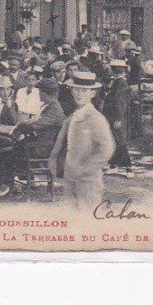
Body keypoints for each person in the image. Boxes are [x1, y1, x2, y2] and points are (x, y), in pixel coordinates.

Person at [47, 71, 114, 212]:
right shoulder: (73, 116)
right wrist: (54, 160)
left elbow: (106, 149)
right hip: (70, 176)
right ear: (71, 91)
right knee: (72, 217)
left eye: (84, 91)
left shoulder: (96, 118)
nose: (79, 94)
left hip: (88, 180)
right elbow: (63, 142)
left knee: (88, 219)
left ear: (92, 93)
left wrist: (85, 169)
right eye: (76, 89)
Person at [0, 78, 65, 198]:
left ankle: (6, 185)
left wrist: (20, 126)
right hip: (40, 143)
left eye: (40, 92)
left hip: (43, 148)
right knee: (8, 148)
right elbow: (35, 122)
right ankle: (22, 179)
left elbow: (35, 124)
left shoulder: (54, 109)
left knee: (6, 153)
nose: (38, 94)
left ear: (45, 93)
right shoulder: (50, 105)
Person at [102, 59, 133, 176]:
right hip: (115, 116)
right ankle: (114, 165)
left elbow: (120, 103)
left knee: (120, 142)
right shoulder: (119, 82)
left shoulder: (120, 84)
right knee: (115, 140)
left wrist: (118, 119)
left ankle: (128, 168)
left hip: (117, 117)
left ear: (114, 71)